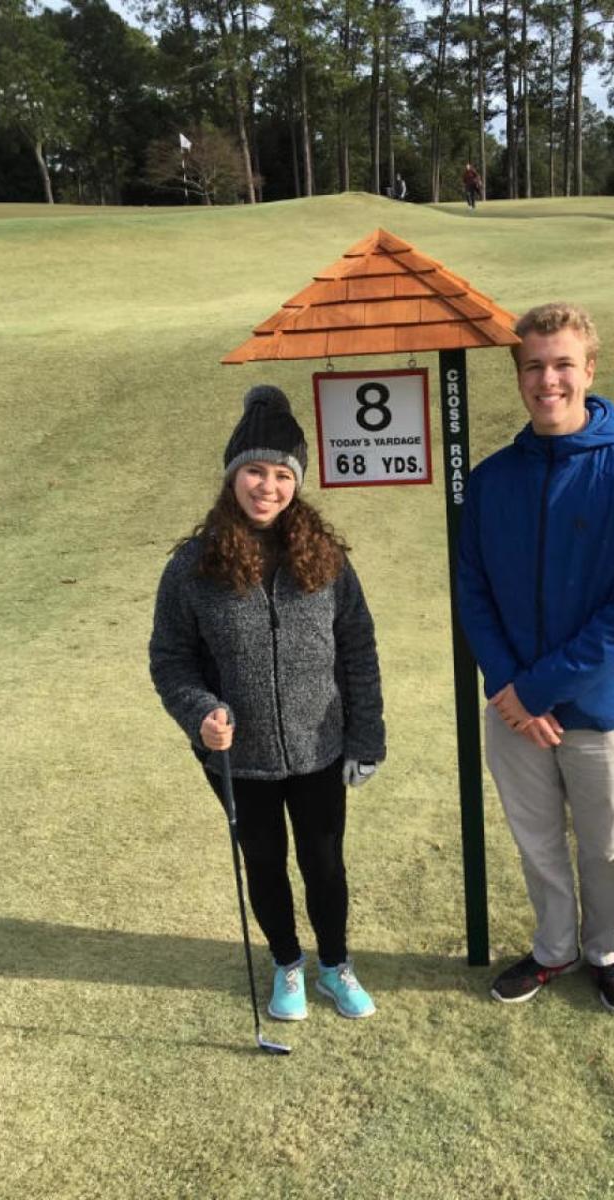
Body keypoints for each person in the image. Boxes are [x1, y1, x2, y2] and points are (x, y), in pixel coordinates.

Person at [457, 303, 614, 1013]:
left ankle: (606, 949)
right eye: (533, 366)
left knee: (607, 849)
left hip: (598, 708)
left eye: (561, 364)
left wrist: (538, 690)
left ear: (589, 370)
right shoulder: (489, 482)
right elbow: (473, 591)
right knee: (538, 843)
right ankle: (553, 949)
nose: (547, 379)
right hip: (514, 706)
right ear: (518, 375)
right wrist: (510, 690)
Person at [149, 385, 386, 1022]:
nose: (267, 486)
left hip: (319, 748)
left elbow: (357, 647)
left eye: (282, 474)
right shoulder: (191, 567)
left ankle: (335, 965)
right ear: (232, 476)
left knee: (324, 864)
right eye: (255, 470)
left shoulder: (326, 558)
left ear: (297, 483)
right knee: (264, 862)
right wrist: (201, 711)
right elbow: (170, 658)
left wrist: (367, 737)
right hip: (237, 756)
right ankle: (287, 964)